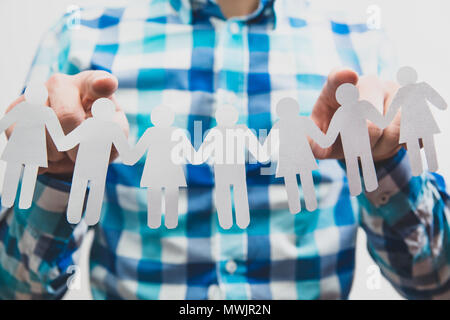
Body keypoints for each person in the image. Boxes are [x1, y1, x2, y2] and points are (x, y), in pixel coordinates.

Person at [0, 0, 448, 300]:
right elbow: (16, 290)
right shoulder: (81, 39)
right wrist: (51, 178)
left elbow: (435, 280)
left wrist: (386, 161)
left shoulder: (360, 43)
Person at [58, 98, 130, 226]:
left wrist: (58, 140)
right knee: (94, 191)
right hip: (96, 167)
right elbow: (125, 151)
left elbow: (66, 142)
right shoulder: (111, 128)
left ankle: (76, 216)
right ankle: (85, 217)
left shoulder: (89, 125)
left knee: (81, 189)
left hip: (84, 164)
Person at [195, 104, 267, 229]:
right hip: (234, 168)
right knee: (237, 193)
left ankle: (227, 222)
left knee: (226, 194)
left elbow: (202, 155)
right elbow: (257, 150)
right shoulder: (240, 130)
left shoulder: (216, 132)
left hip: (224, 168)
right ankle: (239, 221)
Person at [123, 105, 194, 229]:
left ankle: (157, 222)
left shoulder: (152, 132)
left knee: (158, 197)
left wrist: (127, 156)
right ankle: (168, 222)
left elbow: (136, 153)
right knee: (168, 197)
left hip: (156, 172)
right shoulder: (176, 132)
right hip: (169, 172)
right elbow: (192, 155)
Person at [0, 83, 64, 209]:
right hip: (26, 146)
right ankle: (15, 201)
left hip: (31, 147)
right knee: (19, 173)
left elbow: (5, 122)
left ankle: (16, 201)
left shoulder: (30, 109)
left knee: (20, 173)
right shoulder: (36, 110)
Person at [323, 83, 386, 196]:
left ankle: (364, 187)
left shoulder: (343, 111)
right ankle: (367, 186)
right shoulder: (359, 107)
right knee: (361, 163)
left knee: (359, 164)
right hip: (355, 143)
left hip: (355, 143)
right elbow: (381, 121)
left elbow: (330, 134)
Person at [268, 97, 328, 213]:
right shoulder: (285, 124)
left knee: (301, 183)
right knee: (299, 183)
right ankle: (301, 206)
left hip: (298, 158)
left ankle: (304, 206)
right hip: (293, 159)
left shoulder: (280, 125)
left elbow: (321, 139)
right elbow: (322, 139)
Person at [385, 66, 448, 176]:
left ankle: (420, 168)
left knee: (419, 145)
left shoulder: (403, 91)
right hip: (419, 121)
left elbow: (393, 108)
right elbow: (437, 100)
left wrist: (385, 121)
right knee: (425, 144)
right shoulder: (418, 88)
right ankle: (427, 166)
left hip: (415, 122)